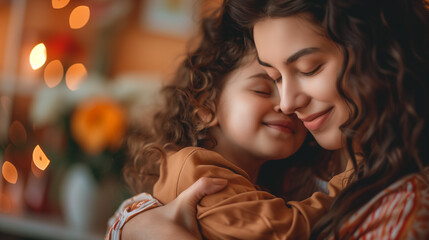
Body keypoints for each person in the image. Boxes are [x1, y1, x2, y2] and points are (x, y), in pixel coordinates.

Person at [118, 0, 429, 239]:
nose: (288, 103)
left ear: (378, 51)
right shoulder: (280, 167)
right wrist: (134, 224)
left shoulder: (404, 204)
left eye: (309, 68)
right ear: (206, 105)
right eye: (272, 78)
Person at [107, 7, 344, 240]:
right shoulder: (201, 174)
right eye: (262, 90)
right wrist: (350, 186)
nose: (286, 104)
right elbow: (286, 231)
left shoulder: (271, 178)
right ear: (207, 105)